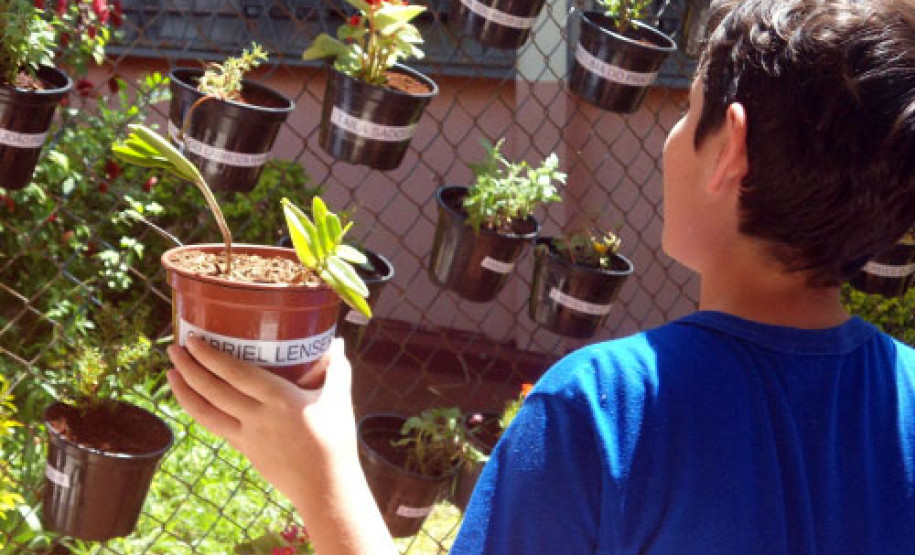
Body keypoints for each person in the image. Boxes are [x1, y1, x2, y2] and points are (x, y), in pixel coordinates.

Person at [166, 0, 915, 553]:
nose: (671, 138)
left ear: (730, 152)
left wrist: (317, 465)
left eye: (688, 113)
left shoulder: (609, 411)